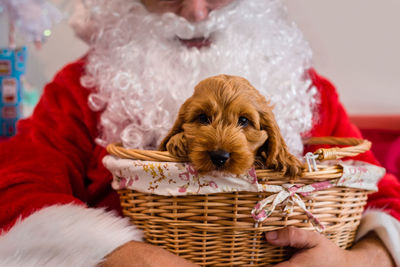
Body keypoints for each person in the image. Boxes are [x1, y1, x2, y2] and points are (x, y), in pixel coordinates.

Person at [0, 0, 399, 266]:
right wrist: (130, 257)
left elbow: (386, 200)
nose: (195, 11)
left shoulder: (307, 92)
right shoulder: (79, 91)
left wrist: (355, 261)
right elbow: (18, 193)